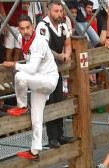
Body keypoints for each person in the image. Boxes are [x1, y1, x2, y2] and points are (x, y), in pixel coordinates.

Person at [3, 15, 59, 162]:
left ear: (33, 26)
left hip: (47, 79)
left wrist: (14, 64)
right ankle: (35, 151)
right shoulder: (23, 40)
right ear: (19, 29)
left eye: (28, 27)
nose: (26, 31)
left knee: (19, 76)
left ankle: (21, 106)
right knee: (36, 118)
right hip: (38, 82)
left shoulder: (38, 42)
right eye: (22, 28)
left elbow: (32, 68)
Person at [38, 0, 75, 148]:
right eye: (56, 11)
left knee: (59, 100)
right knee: (50, 102)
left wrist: (67, 55)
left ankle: (60, 134)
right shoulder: (43, 26)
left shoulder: (63, 25)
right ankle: (52, 137)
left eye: (61, 11)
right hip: (45, 72)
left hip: (57, 71)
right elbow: (45, 49)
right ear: (49, 11)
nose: (59, 14)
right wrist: (61, 57)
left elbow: (68, 43)